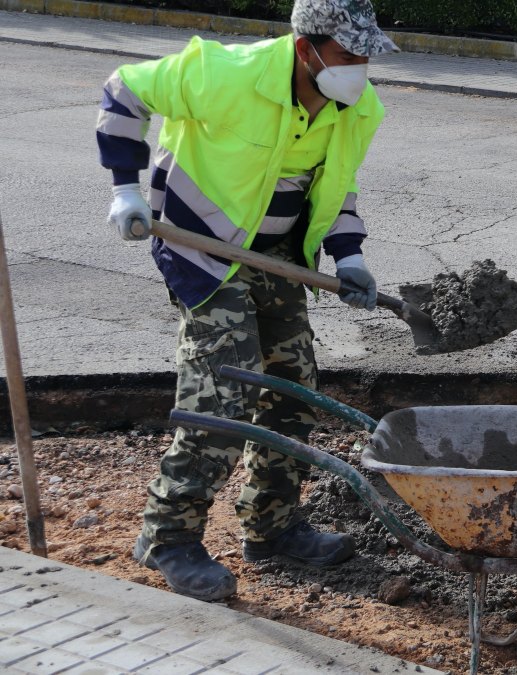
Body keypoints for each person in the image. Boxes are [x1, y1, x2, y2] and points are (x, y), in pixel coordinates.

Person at [96, 0, 397, 600]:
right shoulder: (224, 73)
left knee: (295, 385)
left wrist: (349, 256)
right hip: (202, 246)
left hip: (276, 252)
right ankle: (167, 536)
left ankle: (272, 526)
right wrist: (125, 189)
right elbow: (123, 90)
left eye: (366, 56)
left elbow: (337, 184)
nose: (359, 68)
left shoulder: (358, 105)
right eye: (347, 54)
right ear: (306, 47)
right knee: (224, 389)